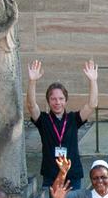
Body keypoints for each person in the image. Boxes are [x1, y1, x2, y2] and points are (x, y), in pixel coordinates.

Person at [26, 59, 98, 190]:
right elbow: (31, 105)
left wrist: (93, 81)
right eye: (53, 99)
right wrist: (32, 81)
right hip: (51, 175)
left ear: (66, 100)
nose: (57, 102)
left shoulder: (73, 119)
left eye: (61, 99)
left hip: (73, 175)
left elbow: (92, 105)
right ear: (48, 101)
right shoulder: (43, 120)